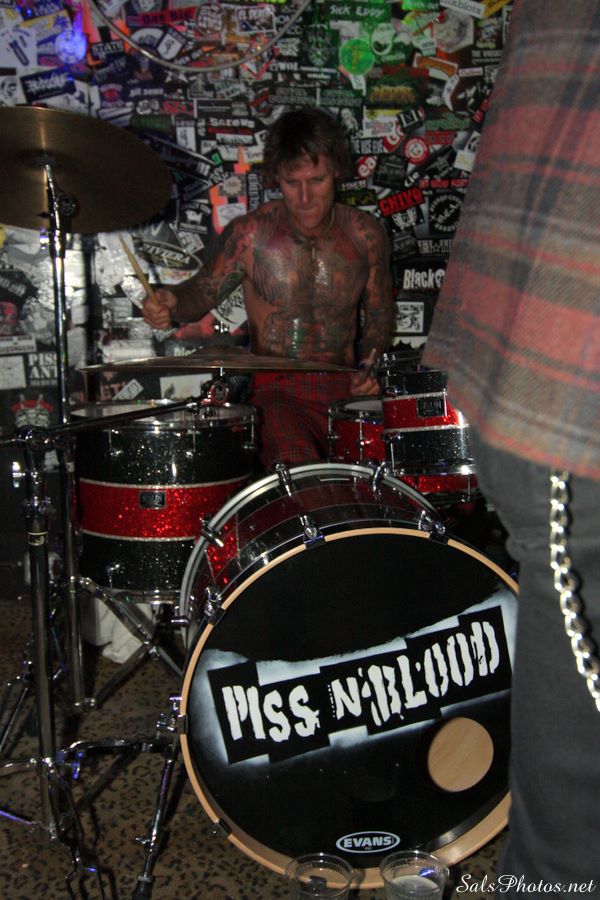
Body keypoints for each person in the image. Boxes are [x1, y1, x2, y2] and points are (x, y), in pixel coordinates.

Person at [422, 1, 600, 895]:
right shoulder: (251, 242)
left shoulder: (358, 239)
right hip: (570, 356)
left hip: (543, 335)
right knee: (572, 844)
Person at [143, 107, 394, 468]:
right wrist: (170, 303)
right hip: (278, 391)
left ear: (337, 170)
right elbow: (199, 295)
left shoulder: (365, 234)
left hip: (346, 390)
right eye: (293, 183)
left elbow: (380, 314)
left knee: (377, 483)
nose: (305, 197)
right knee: (298, 465)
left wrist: (369, 368)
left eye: (317, 180)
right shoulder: (251, 234)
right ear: (276, 178)